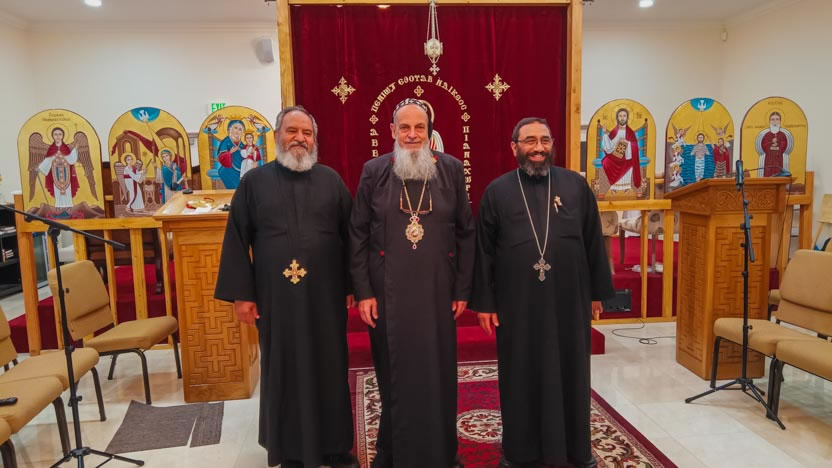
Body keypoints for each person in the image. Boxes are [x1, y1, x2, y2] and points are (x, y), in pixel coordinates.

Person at [214, 106, 357, 468]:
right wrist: (243, 295)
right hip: (274, 297)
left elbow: (351, 236)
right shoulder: (254, 182)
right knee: (283, 367)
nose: (299, 139)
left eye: (307, 133)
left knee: (330, 366)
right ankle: (290, 451)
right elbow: (237, 239)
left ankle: (335, 447)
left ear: (315, 140)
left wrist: (352, 284)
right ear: (277, 135)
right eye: (292, 131)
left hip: (325, 296)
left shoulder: (331, 181)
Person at [470, 117, 615, 468]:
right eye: (530, 141)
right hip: (516, 303)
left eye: (545, 140)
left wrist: (597, 292)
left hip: (569, 299)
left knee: (572, 372)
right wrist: (485, 302)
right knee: (520, 374)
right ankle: (520, 452)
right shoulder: (497, 191)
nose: (538, 148)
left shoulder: (575, 185)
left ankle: (576, 450)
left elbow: (593, 240)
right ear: (515, 147)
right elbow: (484, 250)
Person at [349, 98, 475, 468]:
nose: (412, 134)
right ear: (392, 131)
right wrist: (364, 292)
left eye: (420, 127)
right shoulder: (374, 171)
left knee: (437, 376)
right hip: (387, 295)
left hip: (438, 292)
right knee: (395, 377)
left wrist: (462, 289)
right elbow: (357, 234)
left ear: (430, 132)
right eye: (404, 127)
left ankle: (442, 453)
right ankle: (393, 454)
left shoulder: (451, 169)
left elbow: (466, 232)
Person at [600, 108, 641, 193]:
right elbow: (609, 145)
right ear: (617, 118)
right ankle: (614, 186)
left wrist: (627, 143)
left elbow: (634, 145)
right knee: (605, 161)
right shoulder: (614, 131)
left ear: (627, 118)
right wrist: (605, 134)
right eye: (620, 116)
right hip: (615, 155)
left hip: (626, 157)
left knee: (629, 163)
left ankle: (626, 186)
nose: (622, 118)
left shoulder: (630, 132)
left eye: (624, 116)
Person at [38, 126, 80, 209]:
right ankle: (58, 205)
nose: (58, 136)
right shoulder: (51, 149)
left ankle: (68, 205)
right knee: (57, 189)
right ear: (52, 136)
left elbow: (71, 159)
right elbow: (48, 160)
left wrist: (75, 150)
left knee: (67, 188)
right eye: (55, 134)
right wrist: (40, 168)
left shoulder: (66, 148)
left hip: (66, 171)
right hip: (55, 172)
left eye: (60, 134)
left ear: (63, 136)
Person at [755, 111, 793, 177]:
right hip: (769, 159)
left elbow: (784, 145)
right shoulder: (766, 135)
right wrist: (771, 143)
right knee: (768, 176)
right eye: (772, 119)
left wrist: (778, 145)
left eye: (777, 119)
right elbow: (763, 145)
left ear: (780, 121)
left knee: (779, 175)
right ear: (769, 121)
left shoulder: (782, 135)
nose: (775, 121)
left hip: (779, 159)